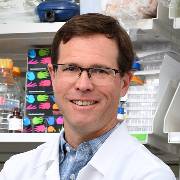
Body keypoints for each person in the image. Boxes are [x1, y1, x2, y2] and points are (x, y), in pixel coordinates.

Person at [0, 13, 176, 180]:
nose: (83, 85)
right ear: (53, 76)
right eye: (71, 68)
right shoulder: (17, 170)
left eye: (100, 70)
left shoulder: (150, 175)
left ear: (124, 83)